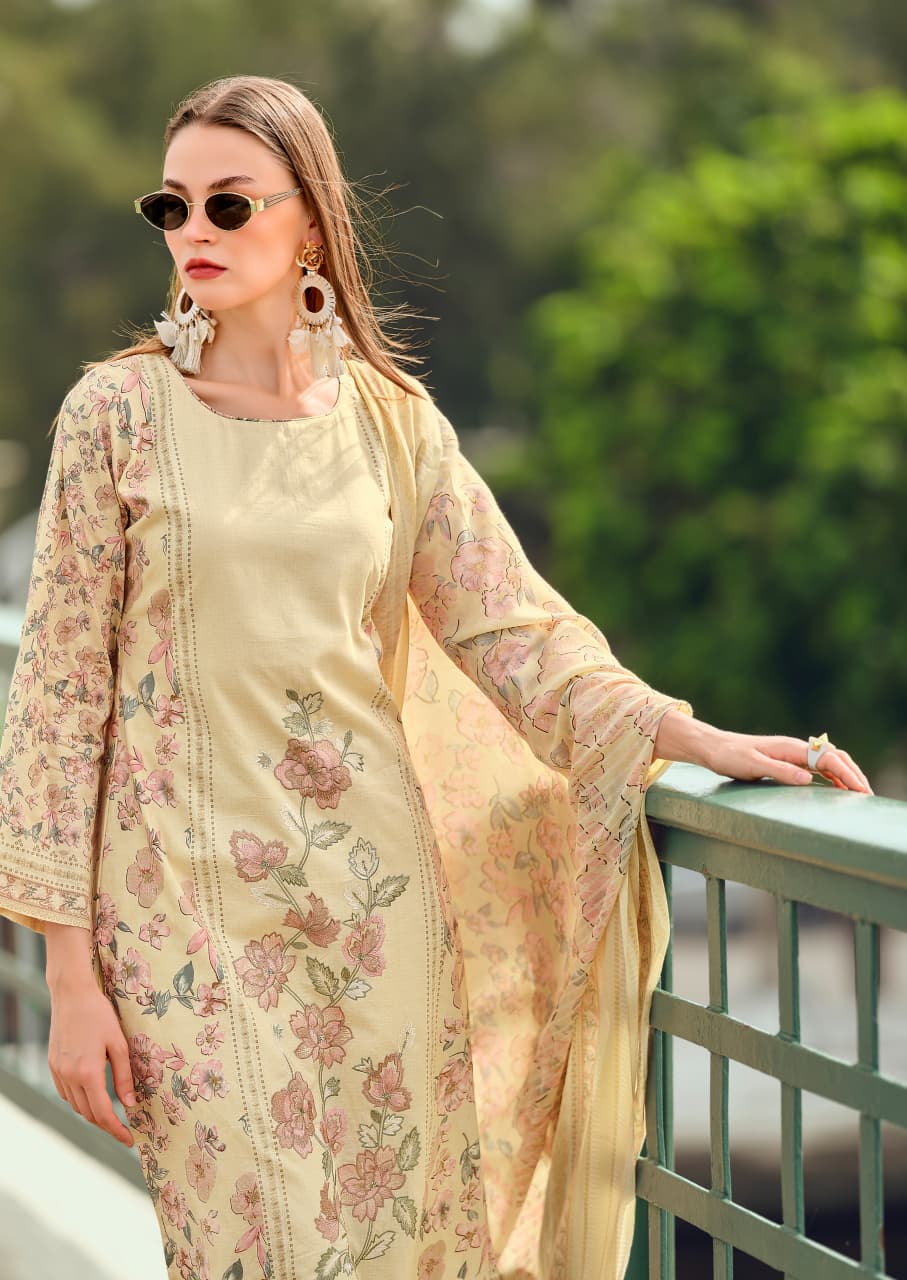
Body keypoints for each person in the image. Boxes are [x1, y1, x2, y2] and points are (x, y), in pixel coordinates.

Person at [0, 74, 872, 1280]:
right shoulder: (116, 417)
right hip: (181, 930)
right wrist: (69, 973)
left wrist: (691, 735)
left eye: (229, 204)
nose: (193, 229)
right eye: (172, 206)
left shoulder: (391, 423)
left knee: (394, 1245)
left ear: (310, 221)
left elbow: (510, 628)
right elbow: (55, 700)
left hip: (374, 913)